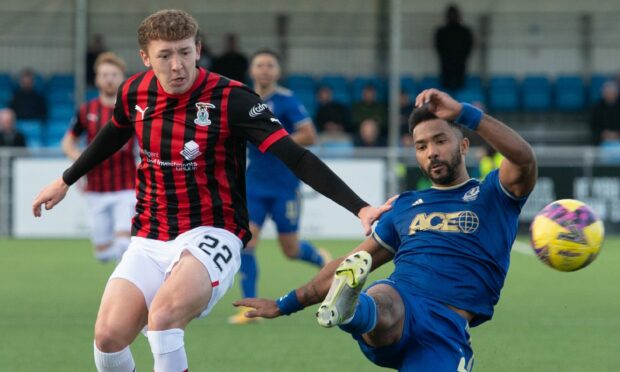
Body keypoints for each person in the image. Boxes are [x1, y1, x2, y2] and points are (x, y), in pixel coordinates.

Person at [31, 9, 391, 372]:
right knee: (107, 340)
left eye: (185, 52)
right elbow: (114, 133)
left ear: (198, 49)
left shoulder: (233, 98)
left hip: (213, 230)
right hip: (150, 235)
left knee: (164, 319)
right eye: (165, 55)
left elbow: (296, 157)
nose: (177, 66)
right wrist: (66, 180)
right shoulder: (134, 92)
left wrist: (360, 208)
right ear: (145, 58)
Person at [235, 88, 537, 371]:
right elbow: (350, 262)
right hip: (400, 306)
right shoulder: (405, 207)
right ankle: (352, 309)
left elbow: (523, 158)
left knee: (386, 305)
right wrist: (284, 304)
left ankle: (354, 308)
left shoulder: (494, 194)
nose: (431, 152)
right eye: (421, 146)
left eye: (440, 141)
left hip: (446, 329)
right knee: (384, 297)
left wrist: (464, 113)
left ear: (464, 144)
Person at [228, 49, 331, 325]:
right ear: (251, 71)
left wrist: (274, 139)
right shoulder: (242, 99)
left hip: (285, 185)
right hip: (253, 185)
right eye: (259, 65)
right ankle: (248, 309)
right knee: (247, 242)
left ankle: (321, 258)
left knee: (290, 250)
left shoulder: (286, 100)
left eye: (269, 65)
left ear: (277, 71)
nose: (264, 70)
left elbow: (309, 135)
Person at [61, 52, 135, 263]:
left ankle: (128, 291)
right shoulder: (86, 110)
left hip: (127, 188)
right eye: (104, 74)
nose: (109, 79)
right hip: (96, 190)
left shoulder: (132, 110)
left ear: (122, 77)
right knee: (103, 254)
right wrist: (81, 159)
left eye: (113, 74)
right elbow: (67, 142)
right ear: (96, 79)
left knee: (125, 244)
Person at [434, 4, 474, 91]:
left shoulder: (465, 31)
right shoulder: (441, 32)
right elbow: (438, 46)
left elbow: (469, 46)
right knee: (446, 87)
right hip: (446, 63)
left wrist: (462, 56)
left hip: (460, 63)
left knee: (460, 86)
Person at [590, 80, 620, 145]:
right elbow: (594, 125)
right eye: (606, 92)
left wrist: (617, 135)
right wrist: (604, 134)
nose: (608, 94)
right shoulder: (597, 108)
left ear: (616, 93)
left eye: (611, 92)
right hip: (602, 140)